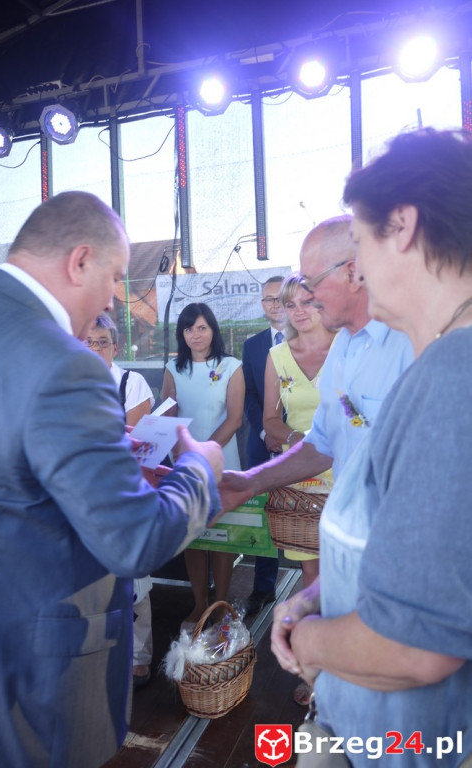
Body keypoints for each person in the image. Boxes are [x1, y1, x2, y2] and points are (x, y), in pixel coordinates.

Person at [0, 191, 224, 768]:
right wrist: (201, 468)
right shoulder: (66, 363)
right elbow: (134, 540)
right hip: (23, 684)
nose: (116, 296)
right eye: (116, 276)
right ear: (78, 261)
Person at [272, 128, 472, 766]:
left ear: (404, 227)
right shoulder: (441, 364)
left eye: (359, 241)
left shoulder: (451, 377)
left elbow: (416, 646)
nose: (357, 266)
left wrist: (309, 643)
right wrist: (322, 594)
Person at [219, 215, 414, 512]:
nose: (306, 296)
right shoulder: (344, 348)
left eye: (312, 283)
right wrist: (250, 482)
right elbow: (322, 443)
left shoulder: (412, 343)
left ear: (352, 272)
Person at [84, 312, 156, 689]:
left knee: (133, 577)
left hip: (125, 492)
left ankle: (138, 655)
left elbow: (139, 443)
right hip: (82, 497)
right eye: (86, 342)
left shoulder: (132, 382)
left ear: (115, 346)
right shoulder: (68, 383)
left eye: (101, 342)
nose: (94, 348)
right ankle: (98, 651)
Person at [162, 302, 245, 627]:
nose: (195, 335)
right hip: (183, 463)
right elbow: (168, 414)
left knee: (221, 537)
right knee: (193, 538)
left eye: (201, 328)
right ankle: (199, 604)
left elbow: (235, 419)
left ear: (212, 330)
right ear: (181, 334)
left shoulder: (231, 366)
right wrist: (184, 454)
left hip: (221, 461)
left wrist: (203, 452)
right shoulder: (173, 369)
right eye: (188, 329)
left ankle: (221, 603)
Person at [262, 272, 335, 589]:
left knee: (345, 571)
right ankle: (316, 637)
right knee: (311, 574)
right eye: (290, 304)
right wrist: (294, 439)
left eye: (306, 301)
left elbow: (357, 412)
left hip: (344, 473)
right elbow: (270, 420)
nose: (299, 310)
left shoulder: (345, 349)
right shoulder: (277, 356)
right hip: (302, 479)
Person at [242, 275, 286, 615]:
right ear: (262, 305)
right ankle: (263, 587)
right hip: (261, 445)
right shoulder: (253, 345)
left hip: (306, 445)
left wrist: (289, 434)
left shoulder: (315, 340)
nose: (275, 304)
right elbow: (252, 397)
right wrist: (265, 432)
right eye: (269, 299)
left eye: (280, 297)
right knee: (263, 516)